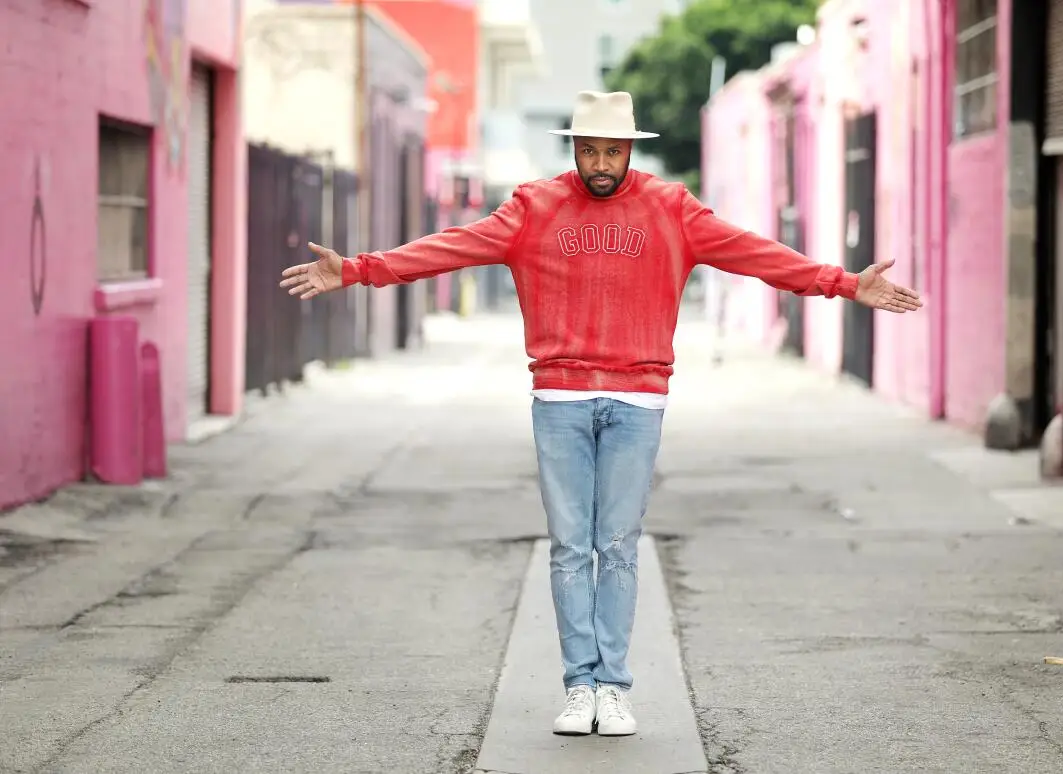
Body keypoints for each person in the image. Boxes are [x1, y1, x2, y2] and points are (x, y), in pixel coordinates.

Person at [280, 90, 923, 738]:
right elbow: (453, 246)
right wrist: (360, 270)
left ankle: (613, 686)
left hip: (638, 400)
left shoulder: (672, 208)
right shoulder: (534, 207)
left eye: (612, 150)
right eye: (589, 149)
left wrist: (842, 282)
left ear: (629, 150)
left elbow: (754, 254)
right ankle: (578, 685)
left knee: (615, 546)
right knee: (567, 548)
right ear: (574, 149)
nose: (600, 162)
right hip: (559, 398)